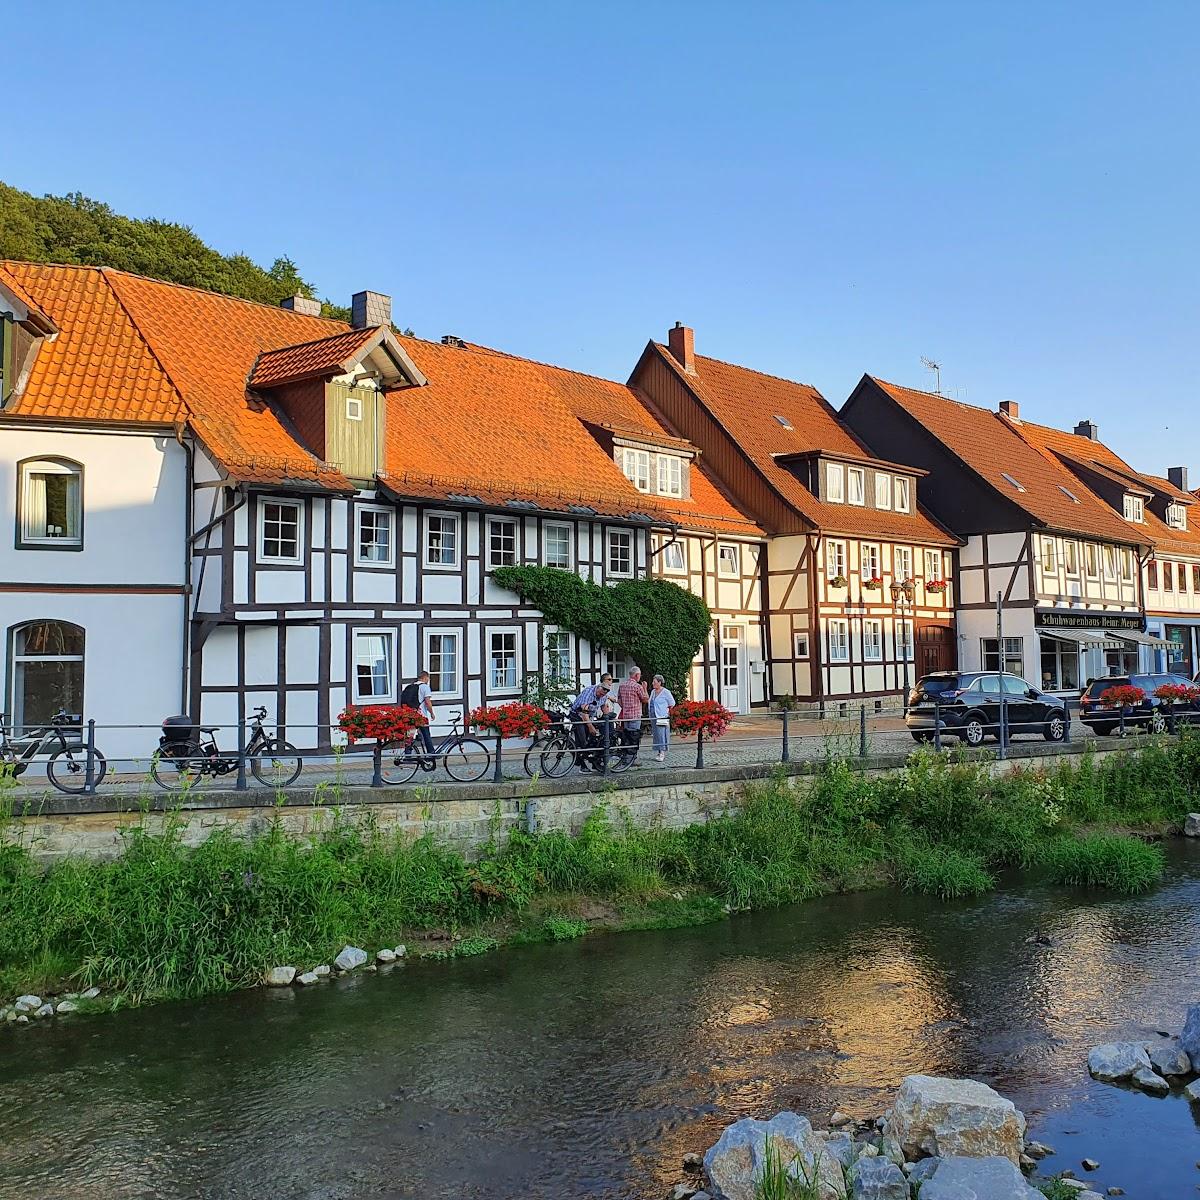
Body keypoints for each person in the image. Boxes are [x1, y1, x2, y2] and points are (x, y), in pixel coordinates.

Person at [568, 679, 611, 771]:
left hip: (589, 716)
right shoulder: (588, 693)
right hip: (577, 715)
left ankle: (594, 763)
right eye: (600, 694)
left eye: (603, 695)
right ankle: (582, 765)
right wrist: (590, 727)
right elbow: (584, 713)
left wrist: (607, 716)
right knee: (582, 741)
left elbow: (603, 705)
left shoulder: (603, 695)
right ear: (598, 689)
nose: (601, 696)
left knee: (593, 740)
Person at [400, 671, 436, 757]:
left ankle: (407, 755)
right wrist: (432, 713)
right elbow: (427, 702)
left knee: (410, 735)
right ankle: (431, 753)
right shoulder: (425, 687)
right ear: (425, 677)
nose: (428, 680)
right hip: (421, 716)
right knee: (426, 734)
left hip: (410, 715)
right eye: (428, 678)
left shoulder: (410, 686)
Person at [617, 668, 650, 747]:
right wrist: (645, 688)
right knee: (634, 737)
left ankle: (626, 754)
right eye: (640, 675)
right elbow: (645, 699)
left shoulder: (622, 685)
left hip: (625, 716)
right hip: (635, 716)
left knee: (626, 736)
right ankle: (632, 754)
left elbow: (619, 700)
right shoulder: (637, 686)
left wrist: (624, 707)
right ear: (637, 675)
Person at [648, 674, 676, 762]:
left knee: (662, 734)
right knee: (656, 734)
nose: (653, 683)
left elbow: (672, 703)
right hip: (653, 716)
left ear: (660, 682)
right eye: (653, 682)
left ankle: (662, 753)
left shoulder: (666, 692)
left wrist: (666, 711)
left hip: (662, 716)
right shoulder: (653, 692)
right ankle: (659, 751)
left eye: (654, 682)